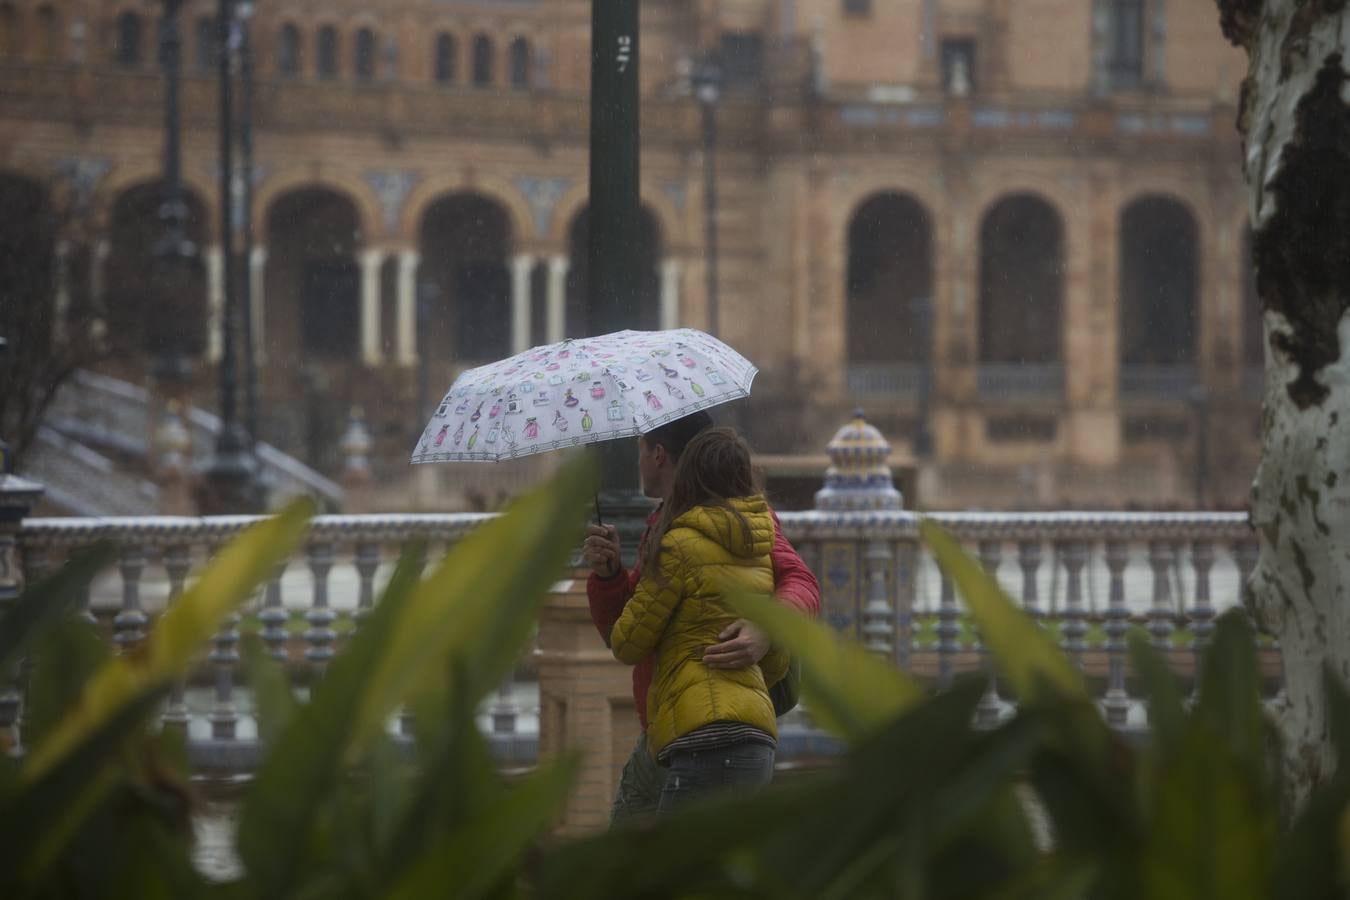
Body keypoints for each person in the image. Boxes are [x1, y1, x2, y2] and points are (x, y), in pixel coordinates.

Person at [583, 411, 820, 822]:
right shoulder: (663, 525)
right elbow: (632, 619)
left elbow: (802, 581)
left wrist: (766, 626)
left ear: (658, 455)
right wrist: (608, 575)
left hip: (700, 727)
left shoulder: (744, 521)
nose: (637, 461)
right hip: (672, 723)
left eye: (640, 450)